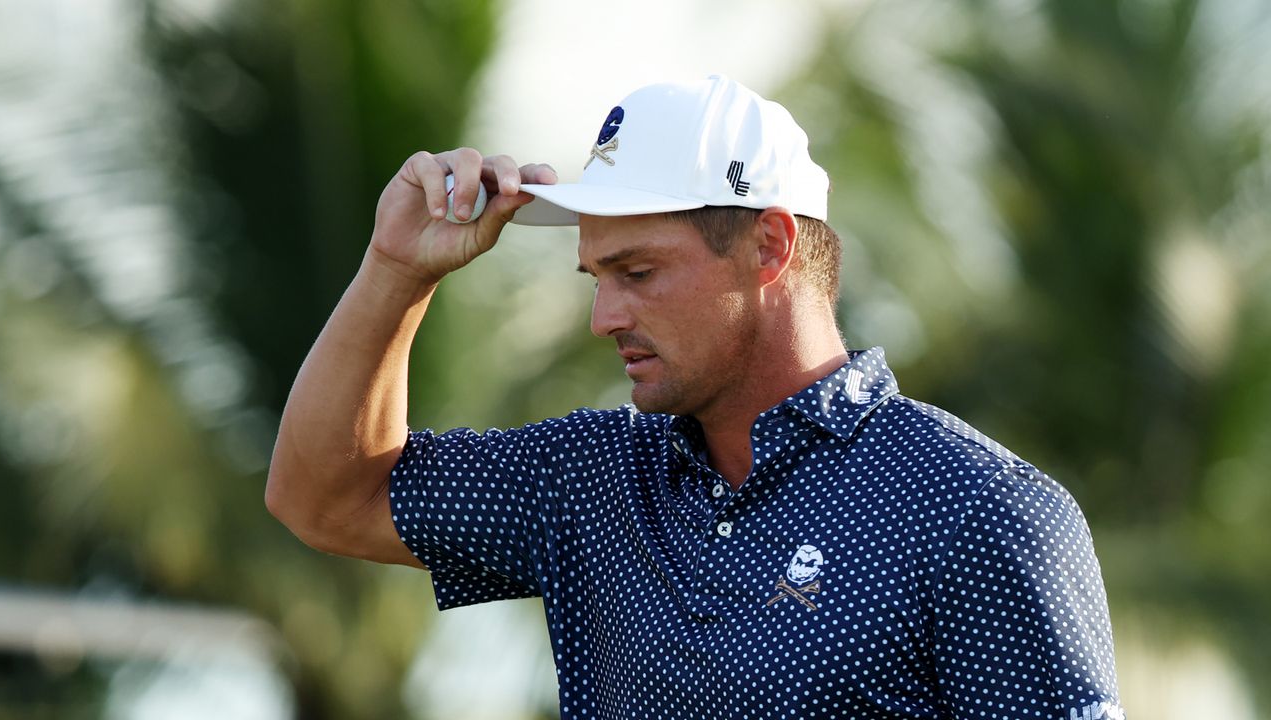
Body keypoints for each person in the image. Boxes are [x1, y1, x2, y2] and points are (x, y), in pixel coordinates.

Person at [266, 75, 1125, 719]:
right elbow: (327, 499)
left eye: (638, 272)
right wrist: (396, 271)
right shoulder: (590, 481)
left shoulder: (978, 511)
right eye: (596, 277)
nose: (604, 317)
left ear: (770, 246)